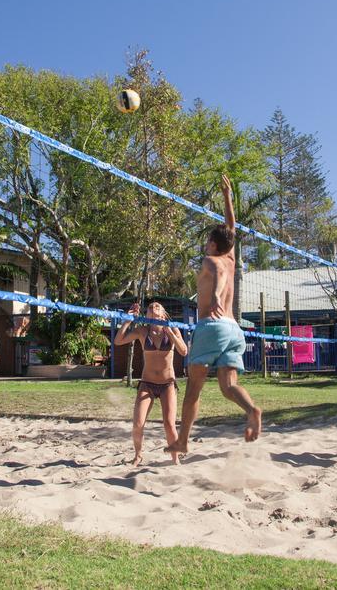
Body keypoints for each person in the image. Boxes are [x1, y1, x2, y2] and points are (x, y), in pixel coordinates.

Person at [167, 175, 262, 459]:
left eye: (208, 240)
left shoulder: (213, 261)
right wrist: (227, 197)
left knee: (193, 388)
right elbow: (230, 228)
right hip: (234, 329)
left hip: (212, 325)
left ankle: (183, 441)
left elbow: (218, 275)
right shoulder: (231, 258)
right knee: (228, 386)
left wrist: (218, 295)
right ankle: (253, 410)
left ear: (211, 244)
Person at [113, 301, 188, 465]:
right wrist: (127, 320)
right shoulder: (142, 331)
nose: (153, 307)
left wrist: (172, 334)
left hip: (168, 384)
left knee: (169, 424)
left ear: (163, 313)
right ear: (146, 315)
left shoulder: (172, 329)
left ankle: (175, 459)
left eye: (157, 306)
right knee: (138, 424)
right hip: (147, 383)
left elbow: (184, 351)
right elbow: (118, 341)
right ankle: (138, 455)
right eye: (150, 307)